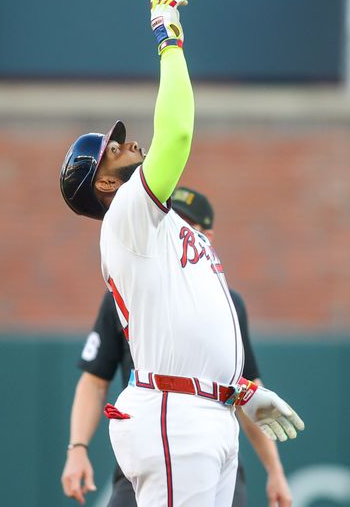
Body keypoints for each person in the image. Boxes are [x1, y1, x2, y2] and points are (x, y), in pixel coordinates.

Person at [57, 0, 304, 507]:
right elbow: (177, 135)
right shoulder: (127, 214)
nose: (126, 144)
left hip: (206, 413)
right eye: (111, 150)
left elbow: (189, 327)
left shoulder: (162, 228)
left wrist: (239, 390)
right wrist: (168, 40)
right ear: (103, 185)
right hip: (174, 414)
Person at [61, 187, 294, 506]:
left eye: (187, 224)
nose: (174, 229)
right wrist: (77, 448)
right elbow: (94, 379)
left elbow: (246, 389)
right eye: (171, 220)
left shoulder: (224, 301)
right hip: (159, 433)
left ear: (206, 236)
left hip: (212, 438)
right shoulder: (132, 289)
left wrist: (275, 469)